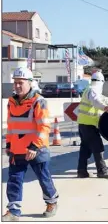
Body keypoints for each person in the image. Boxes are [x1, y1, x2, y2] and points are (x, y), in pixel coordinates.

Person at [3, 67, 58, 221]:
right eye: (15, 82)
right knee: (14, 180)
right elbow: (11, 125)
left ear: (29, 83)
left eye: (21, 82)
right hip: (17, 150)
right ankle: (13, 211)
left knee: (43, 178)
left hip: (36, 149)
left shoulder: (38, 102)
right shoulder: (11, 102)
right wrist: (8, 144)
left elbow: (44, 126)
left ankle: (51, 202)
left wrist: (35, 146)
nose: (17, 86)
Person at [76, 71, 108, 178]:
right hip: (89, 125)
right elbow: (96, 101)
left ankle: (81, 171)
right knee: (98, 148)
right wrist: (105, 108)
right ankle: (102, 171)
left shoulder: (88, 90)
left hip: (83, 124)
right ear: (101, 82)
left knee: (85, 149)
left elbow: (106, 100)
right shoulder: (93, 91)